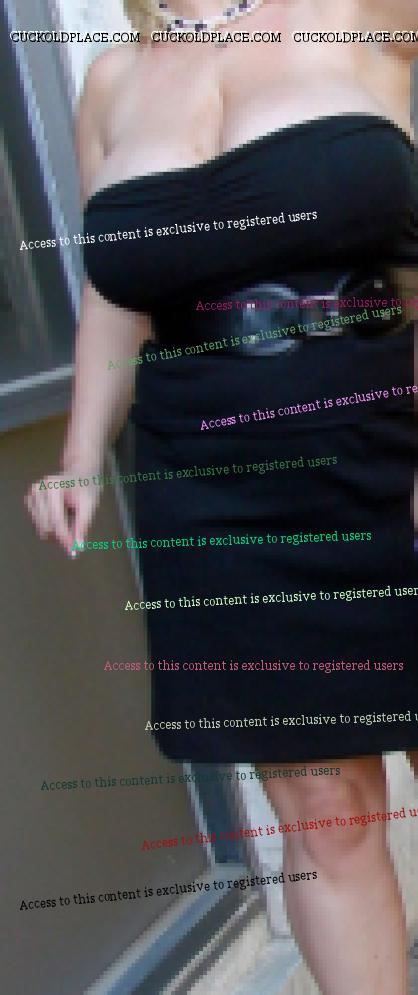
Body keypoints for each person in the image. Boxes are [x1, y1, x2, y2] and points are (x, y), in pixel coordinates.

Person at [25, 2, 418, 991]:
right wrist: (79, 453)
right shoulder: (112, 82)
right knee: (323, 809)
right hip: (209, 487)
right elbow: (114, 297)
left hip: (388, 440)